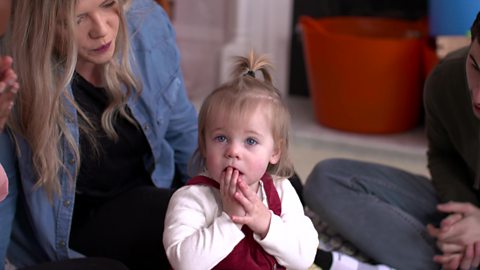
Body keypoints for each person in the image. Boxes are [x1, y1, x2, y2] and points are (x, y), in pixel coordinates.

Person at [0, 0, 197, 270]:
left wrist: (213, 197)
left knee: (206, 224)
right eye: (77, 19)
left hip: (151, 189)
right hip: (72, 231)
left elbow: (183, 129)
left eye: (108, 4)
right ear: (43, 26)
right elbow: (3, 192)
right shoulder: (13, 76)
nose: (101, 30)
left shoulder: (148, 26)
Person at [303, 11, 480, 270]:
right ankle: (454, 258)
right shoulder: (446, 80)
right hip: (464, 204)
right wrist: (463, 216)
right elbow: (444, 156)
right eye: (476, 67)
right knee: (328, 179)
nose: (478, 96)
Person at [163, 52, 319, 270]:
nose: (233, 151)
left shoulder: (282, 191)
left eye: (251, 141)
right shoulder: (192, 199)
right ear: (204, 145)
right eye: (221, 138)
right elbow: (185, 264)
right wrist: (230, 218)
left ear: (275, 151)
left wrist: (266, 223)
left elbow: (302, 259)